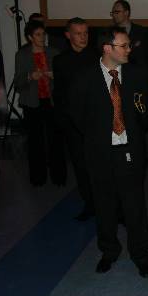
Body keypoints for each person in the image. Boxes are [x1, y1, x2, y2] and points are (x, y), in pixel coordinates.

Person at [69, 26, 148, 278]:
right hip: (100, 153)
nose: (128, 50)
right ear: (107, 48)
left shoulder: (137, 74)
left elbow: (146, 110)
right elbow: (77, 114)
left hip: (130, 151)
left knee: (134, 205)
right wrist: (98, 137)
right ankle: (109, 250)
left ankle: (141, 255)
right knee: (104, 204)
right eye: (123, 46)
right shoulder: (85, 77)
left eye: (128, 45)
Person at [53, 17, 99, 220]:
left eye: (86, 33)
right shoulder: (60, 61)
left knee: (101, 165)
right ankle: (90, 203)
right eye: (78, 33)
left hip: (97, 121)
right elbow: (60, 94)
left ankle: (107, 204)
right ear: (68, 35)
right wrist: (65, 122)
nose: (83, 37)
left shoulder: (97, 56)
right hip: (74, 124)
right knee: (81, 166)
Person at [14, 20, 66, 186]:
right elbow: (18, 83)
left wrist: (55, 76)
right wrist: (30, 76)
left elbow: (65, 79)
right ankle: (38, 178)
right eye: (38, 34)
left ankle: (59, 177)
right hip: (32, 103)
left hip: (51, 102)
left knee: (55, 140)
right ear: (30, 37)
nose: (42, 37)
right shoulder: (22, 55)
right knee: (35, 142)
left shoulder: (54, 52)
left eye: (43, 34)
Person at [110, 0, 146, 66]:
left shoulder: (141, 31)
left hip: (136, 69)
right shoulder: (109, 32)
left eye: (117, 12)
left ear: (126, 13)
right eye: (113, 13)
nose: (114, 15)